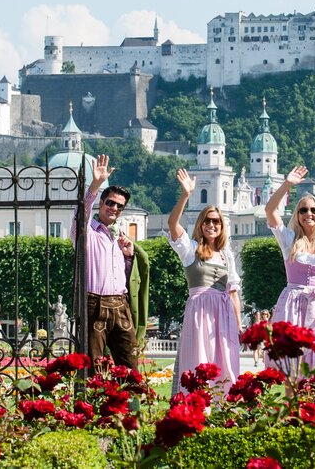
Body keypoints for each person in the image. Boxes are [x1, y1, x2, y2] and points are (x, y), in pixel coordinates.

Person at [167, 168, 242, 395]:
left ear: (222, 226)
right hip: (200, 310)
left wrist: (239, 324)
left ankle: (226, 405)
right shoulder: (190, 249)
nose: (212, 225)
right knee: (198, 357)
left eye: (217, 221)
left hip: (224, 311)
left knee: (226, 359)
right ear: (200, 224)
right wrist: (185, 195)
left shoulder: (226, 255)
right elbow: (172, 224)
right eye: (208, 220)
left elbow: (233, 292)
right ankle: (196, 403)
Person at [71, 154, 149, 370]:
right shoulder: (87, 233)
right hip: (94, 303)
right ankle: (94, 403)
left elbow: (123, 276)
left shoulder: (119, 237)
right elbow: (80, 215)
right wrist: (95, 186)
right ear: (101, 203)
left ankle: (131, 404)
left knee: (130, 363)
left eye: (119, 206)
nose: (114, 208)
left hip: (120, 303)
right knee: (94, 366)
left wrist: (128, 257)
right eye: (110, 203)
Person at [265, 165, 315, 369]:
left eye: (314, 210)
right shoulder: (289, 239)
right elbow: (269, 210)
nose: (309, 213)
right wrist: (287, 185)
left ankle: (311, 401)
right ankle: (291, 401)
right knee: (292, 363)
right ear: (297, 214)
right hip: (292, 303)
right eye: (303, 210)